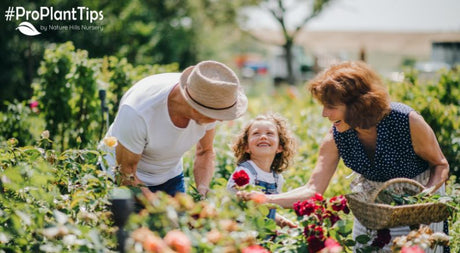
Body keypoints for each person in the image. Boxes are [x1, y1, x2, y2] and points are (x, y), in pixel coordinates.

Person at [238, 61, 449, 252]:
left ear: (358, 105)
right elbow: (313, 189)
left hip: (417, 205)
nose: (324, 114)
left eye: (331, 107)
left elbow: (440, 164)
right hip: (373, 207)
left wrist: (425, 197)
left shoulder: (405, 121)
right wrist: (265, 199)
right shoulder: (336, 136)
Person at [101, 60, 248, 199]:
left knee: (181, 222)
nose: (221, 119)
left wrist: (202, 189)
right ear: (196, 108)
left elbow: (205, 151)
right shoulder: (138, 112)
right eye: (217, 115)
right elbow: (125, 173)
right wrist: (159, 206)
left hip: (169, 176)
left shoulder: (210, 95)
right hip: (121, 178)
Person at [227, 114, 297, 228]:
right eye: (256, 133)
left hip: (263, 235)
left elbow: (267, 209)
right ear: (246, 147)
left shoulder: (277, 178)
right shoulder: (244, 173)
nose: (263, 137)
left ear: (280, 147)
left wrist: (280, 220)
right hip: (242, 232)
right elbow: (233, 208)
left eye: (269, 133)